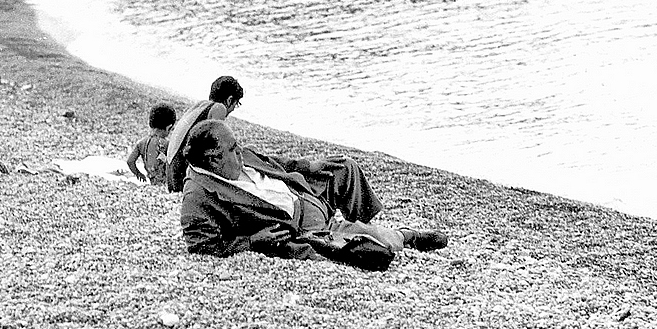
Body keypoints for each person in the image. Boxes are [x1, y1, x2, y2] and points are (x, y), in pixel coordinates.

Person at [179, 121, 448, 270]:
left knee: (344, 167)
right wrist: (251, 241)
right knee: (376, 250)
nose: (240, 152)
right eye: (233, 149)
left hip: (303, 191)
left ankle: (361, 222)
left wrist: (311, 166)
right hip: (301, 223)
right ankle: (405, 236)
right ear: (213, 160)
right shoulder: (198, 197)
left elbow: (276, 163)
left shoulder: (235, 157)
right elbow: (202, 246)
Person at [165, 75, 245, 193]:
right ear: (229, 100)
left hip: (171, 172)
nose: (233, 109)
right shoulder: (219, 108)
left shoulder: (201, 105)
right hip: (182, 177)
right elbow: (220, 143)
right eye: (235, 104)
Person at [126, 103, 177, 185]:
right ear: (169, 127)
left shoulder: (142, 143)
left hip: (152, 181)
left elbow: (130, 161)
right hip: (165, 184)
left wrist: (138, 174)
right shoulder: (167, 144)